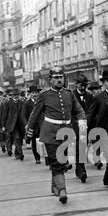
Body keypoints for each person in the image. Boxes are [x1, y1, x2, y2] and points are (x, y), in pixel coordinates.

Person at [26, 66, 86, 204]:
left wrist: (82, 121)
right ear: (50, 80)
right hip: (50, 132)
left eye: (61, 77)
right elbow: (34, 115)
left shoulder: (69, 94)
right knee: (57, 161)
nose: (59, 80)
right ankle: (62, 190)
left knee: (60, 161)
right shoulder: (44, 95)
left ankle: (54, 186)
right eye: (56, 78)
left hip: (65, 133)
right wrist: (29, 132)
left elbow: (78, 110)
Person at [72, 73, 95, 182]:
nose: (83, 87)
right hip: (75, 126)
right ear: (76, 84)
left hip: (86, 126)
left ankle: (78, 169)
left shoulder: (90, 96)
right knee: (79, 147)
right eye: (81, 85)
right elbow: (69, 112)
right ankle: (82, 171)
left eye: (84, 85)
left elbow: (91, 112)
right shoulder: (71, 96)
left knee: (82, 147)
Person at [2, 88, 25, 160]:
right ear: (11, 96)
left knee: (20, 139)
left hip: (20, 124)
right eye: (14, 95)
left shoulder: (22, 103)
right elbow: (4, 115)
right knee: (17, 138)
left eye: (17, 95)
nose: (16, 96)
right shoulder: (8, 103)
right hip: (12, 125)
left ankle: (17, 153)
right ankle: (21, 154)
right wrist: (3, 125)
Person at [22, 86, 42, 164]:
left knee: (44, 141)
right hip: (32, 126)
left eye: (36, 92)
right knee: (34, 142)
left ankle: (47, 158)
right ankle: (37, 158)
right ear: (30, 94)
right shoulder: (27, 103)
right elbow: (23, 115)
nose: (34, 94)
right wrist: (26, 124)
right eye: (33, 93)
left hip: (41, 125)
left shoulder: (41, 101)